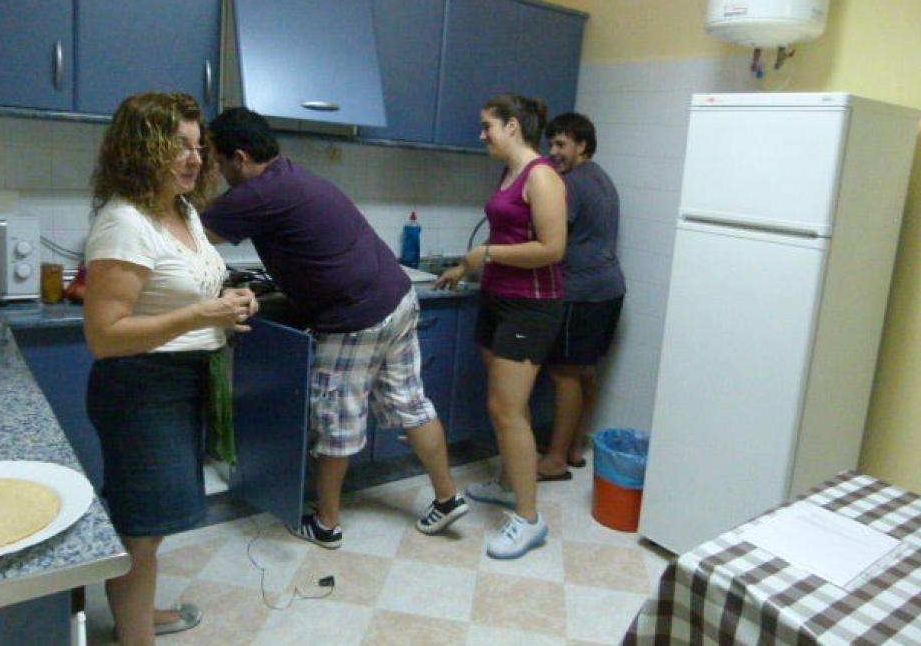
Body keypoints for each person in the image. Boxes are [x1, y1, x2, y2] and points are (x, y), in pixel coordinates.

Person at [199, 106, 468, 549]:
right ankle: (447, 496)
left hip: (353, 318)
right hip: (397, 298)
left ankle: (326, 523)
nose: (217, 171)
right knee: (410, 401)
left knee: (335, 419)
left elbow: (190, 238)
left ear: (240, 157)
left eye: (218, 161)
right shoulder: (290, 175)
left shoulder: (256, 193)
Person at [82, 92, 260, 646]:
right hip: (141, 387)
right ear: (140, 150)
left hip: (185, 380)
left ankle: (138, 614)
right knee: (141, 525)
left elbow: (194, 286)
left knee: (151, 524)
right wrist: (201, 314)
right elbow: (104, 336)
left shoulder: (182, 212)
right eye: (176, 146)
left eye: (196, 146)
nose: (194, 159)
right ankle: (135, 636)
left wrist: (232, 300)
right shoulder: (124, 223)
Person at [433, 94, 568, 559]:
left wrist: (485, 255)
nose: (481, 134)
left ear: (512, 126)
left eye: (487, 125)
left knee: (505, 408)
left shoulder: (543, 176)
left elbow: (552, 248)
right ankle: (512, 484)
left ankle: (529, 521)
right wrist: (466, 269)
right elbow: (509, 235)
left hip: (530, 308)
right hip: (498, 297)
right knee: (509, 405)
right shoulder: (510, 173)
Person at [537, 112, 626, 480]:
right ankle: (574, 448)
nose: (553, 152)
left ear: (582, 146)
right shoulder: (602, 177)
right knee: (584, 369)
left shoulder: (570, 183)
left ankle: (556, 459)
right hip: (609, 288)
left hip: (582, 291)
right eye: (551, 144)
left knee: (564, 373)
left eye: (561, 144)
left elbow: (552, 238)